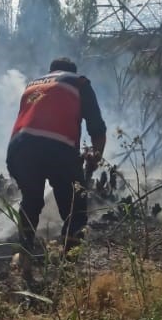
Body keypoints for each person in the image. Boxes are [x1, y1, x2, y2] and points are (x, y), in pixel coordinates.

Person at [6, 57, 106, 257]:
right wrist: (96, 157)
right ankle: (68, 263)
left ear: (51, 71)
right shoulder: (79, 82)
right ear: (72, 71)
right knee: (75, 208)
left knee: (31, 201)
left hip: (18, 149)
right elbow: (96, 128)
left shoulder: (32, 85)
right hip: (57, 148)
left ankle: (24, 254)